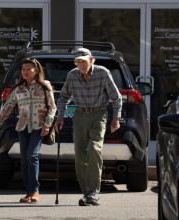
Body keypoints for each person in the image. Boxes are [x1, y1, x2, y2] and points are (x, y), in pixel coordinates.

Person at [56, 48, 122, 206]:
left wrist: (115, 119)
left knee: (93, 149)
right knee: (80, 155)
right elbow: (64, 97)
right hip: (79, 115)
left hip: (98, 115)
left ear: (91, 60)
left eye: (83, 61)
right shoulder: (72, 75)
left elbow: (116, 97)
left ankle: (94, 191)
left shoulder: (103, 72)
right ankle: (87, 193)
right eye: (78, 62)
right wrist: (60, 116)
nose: (81, 65)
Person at [0, 58, 56, 203]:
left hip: (39, 126)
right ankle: (28, 192)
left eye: (28, 69)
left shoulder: (45, 87)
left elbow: (52, 107)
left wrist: (47, 125)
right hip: (23, 126)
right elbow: (7, 107)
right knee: (24, 159)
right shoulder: (18, 89)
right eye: (23, 69)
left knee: (32, 155)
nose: (25, 72)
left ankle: (35, 191)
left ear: (36, 71)